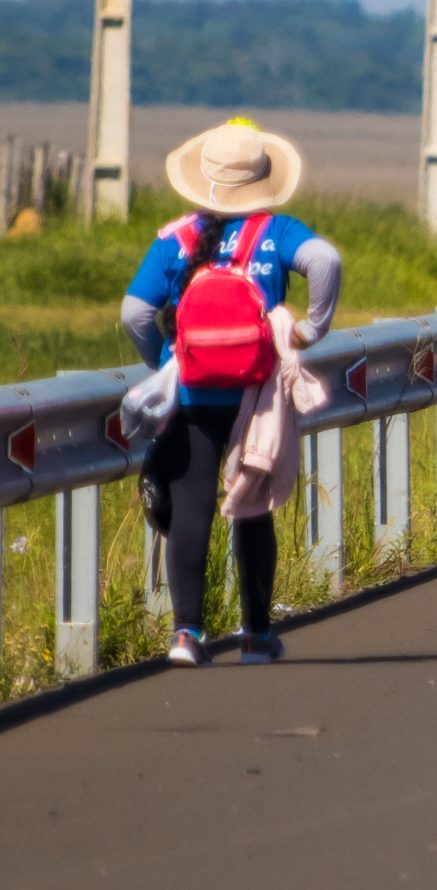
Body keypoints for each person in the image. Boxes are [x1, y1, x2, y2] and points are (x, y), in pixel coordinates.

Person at [121, 119, 341, 666]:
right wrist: (310, 330)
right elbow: (326, 261)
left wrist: (165, 362)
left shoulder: (176, 235)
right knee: (251, 506)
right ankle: (256, 636)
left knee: (192, 506)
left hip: (193, 393)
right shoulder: (278, 231)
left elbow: (135, 312)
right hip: (256, 396)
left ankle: (187, 636)